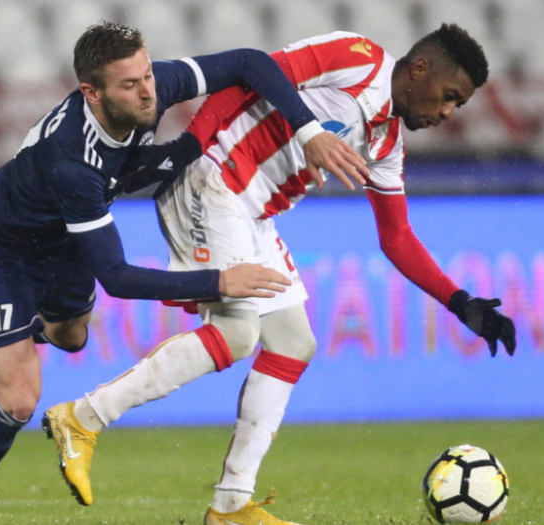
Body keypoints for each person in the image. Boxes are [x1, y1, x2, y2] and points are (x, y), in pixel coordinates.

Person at [43, 24, 517, 525]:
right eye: (449, 96)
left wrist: (459, 301)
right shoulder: (357, 57)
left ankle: (230, 506)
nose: (447, 113)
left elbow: (397, 238)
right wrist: (193, 144)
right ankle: (84, 417)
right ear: (419, 69)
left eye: (457, 105)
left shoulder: (387, 143)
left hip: (253, 214)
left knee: (293, 343)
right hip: (214, 177)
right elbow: (252, 74)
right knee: (237, 333)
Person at [0, 21, 370, 525]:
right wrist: (219, 282)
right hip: (2, 244)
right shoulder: (72, 162)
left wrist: (307, 130)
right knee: (21, 398)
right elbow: (117, 277)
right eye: (130, 84)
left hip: (65, 238)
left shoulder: (152, 85)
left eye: (147, 75)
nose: (147, 92)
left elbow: (249, 62)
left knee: (72, 338)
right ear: (92, 93)